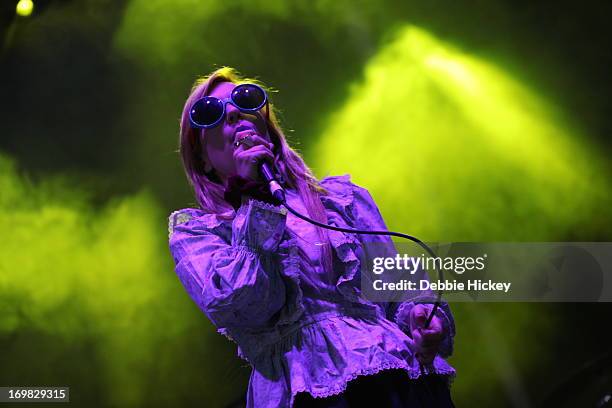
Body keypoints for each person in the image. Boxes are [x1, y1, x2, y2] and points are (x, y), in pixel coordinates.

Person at [168, 67, 456, 408]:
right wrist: (255, 200)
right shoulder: (199, 232)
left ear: (267, 128)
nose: (233, 112)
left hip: (395, 377)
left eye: (244, 99)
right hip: (309, 392)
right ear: (200, 154)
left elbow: (392, 287)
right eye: (211, 112)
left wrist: (420, 317)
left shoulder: (340, 199)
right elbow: (248, 306)